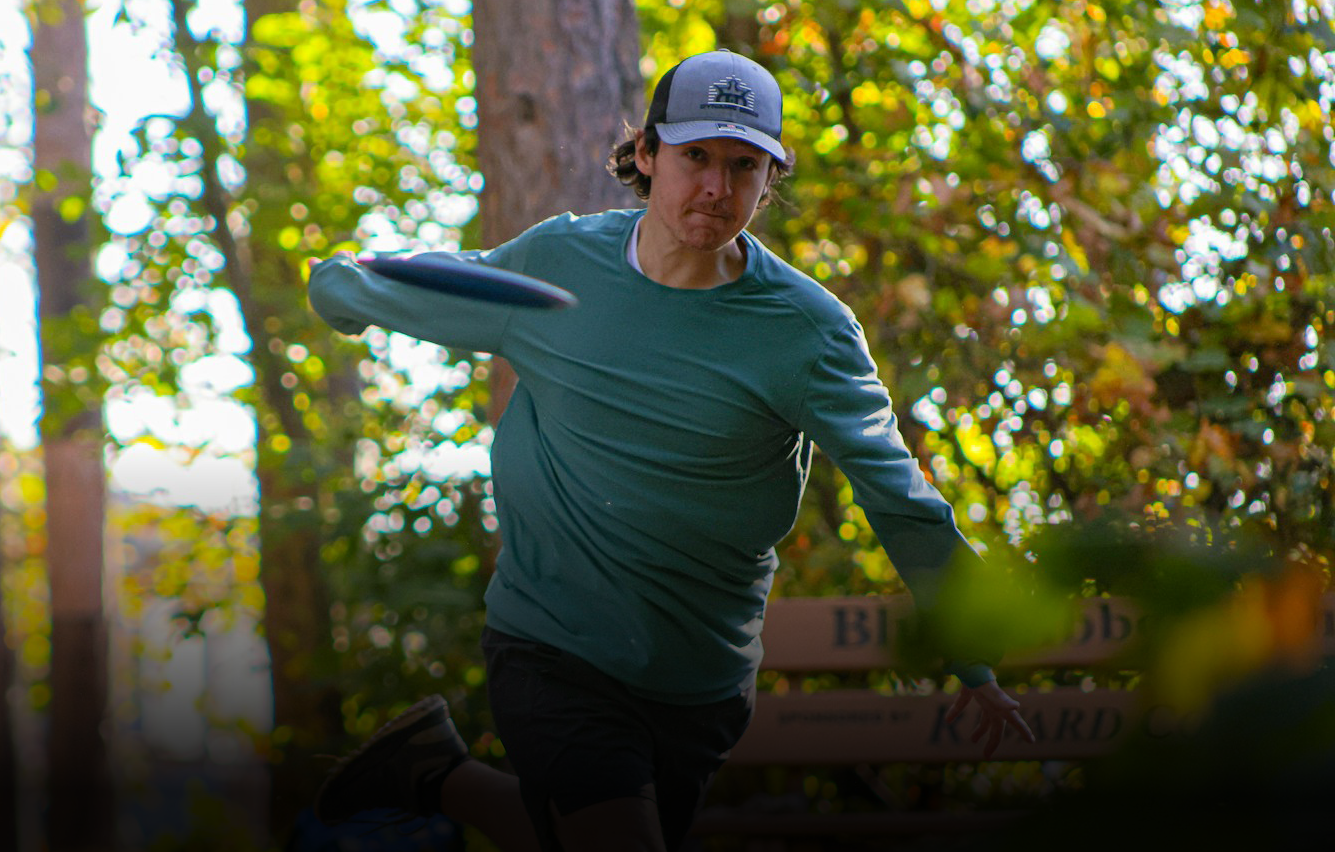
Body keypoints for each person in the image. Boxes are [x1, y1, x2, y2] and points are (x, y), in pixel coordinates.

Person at [303, 50, 1036, 852]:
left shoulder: (808, 332)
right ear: (647, 155)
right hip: (554, 643)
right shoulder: (558, 269)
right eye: (695, 158)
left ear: (769, 176)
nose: (717, 188)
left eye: (742, 165)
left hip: (702, 678)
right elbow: (446, 283)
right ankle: (435, 772)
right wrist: (341, 289)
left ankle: (434, 773)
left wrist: (972, 658)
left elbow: (896, 493)